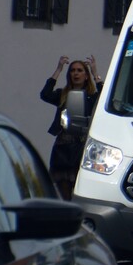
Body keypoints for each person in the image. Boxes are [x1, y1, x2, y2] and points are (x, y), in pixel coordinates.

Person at [41, 55, 102, 199]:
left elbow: (105, 96)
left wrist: (95, 73)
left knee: (80, 186)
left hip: (82, 146)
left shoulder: (92, 97)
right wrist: (58, 69)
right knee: (63, 187)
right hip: (63, 146)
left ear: (85, 75)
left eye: (80, 70)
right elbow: (45, 94)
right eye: (73, 70)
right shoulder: (63, 94)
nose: (76, 73)